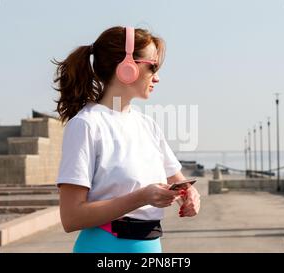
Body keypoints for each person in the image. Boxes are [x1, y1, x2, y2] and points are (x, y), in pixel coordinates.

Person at [53, 26, 200, 253]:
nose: (157, 78)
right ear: (127, 67)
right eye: (152, 67)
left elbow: (177, 180)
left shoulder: (148, 126)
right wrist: (142, 197)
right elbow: (71, 217)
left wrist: (189, 195)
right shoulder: (86, 125)